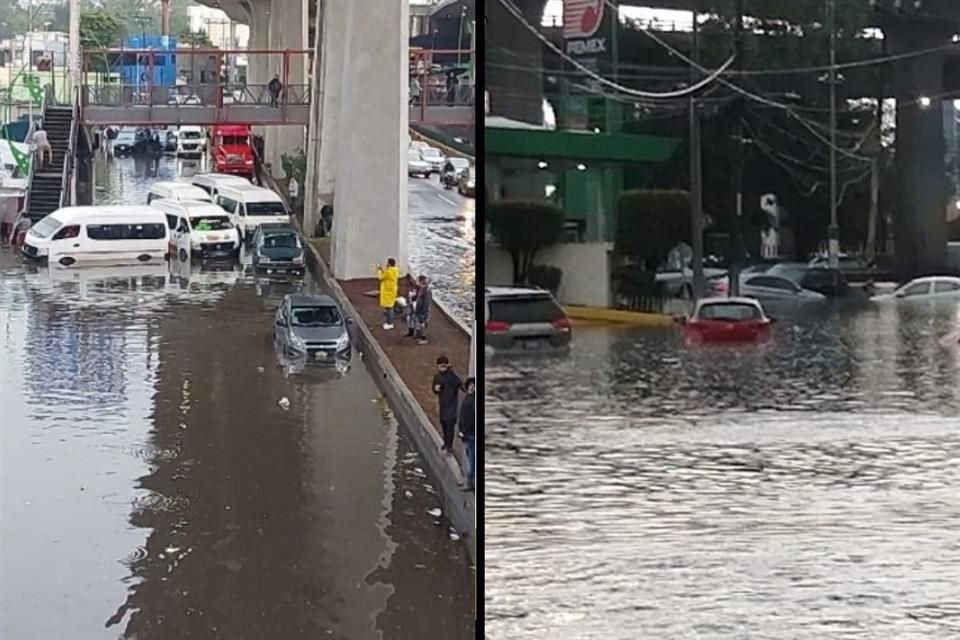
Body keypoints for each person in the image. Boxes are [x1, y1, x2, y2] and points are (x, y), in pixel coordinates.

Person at [433, 356, 463, 454]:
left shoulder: (452, 376)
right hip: (443, 405)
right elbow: (434, 389)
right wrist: (435, 389)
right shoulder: (437, 377)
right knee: (444, 424)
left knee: (450, 425)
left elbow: (461, 385)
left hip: (451, 405)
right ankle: (446, 442)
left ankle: (449, 445)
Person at [458, 377, 476, 491]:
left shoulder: (472, 400)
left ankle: (470, 482)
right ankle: (469, 481)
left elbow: (470, 418)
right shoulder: (468, 398)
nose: (472, 387)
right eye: (471, 385)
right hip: (466, 432)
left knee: (472, 459)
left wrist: (464, 430)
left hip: (470, 433)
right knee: (470, 456)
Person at [377, 258, 399, 330]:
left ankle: (390, 323)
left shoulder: (389, 271)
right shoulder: (395, 270)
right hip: (392, 290)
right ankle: (389, 321)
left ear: (389, 264)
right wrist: (383, 269)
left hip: (388, 291)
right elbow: (387, 274)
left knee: (389, 307)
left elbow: (381, 277)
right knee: (390, 306)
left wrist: (379, 270)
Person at [413, 274, 432, 345]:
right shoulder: (422, 289)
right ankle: (419, 335)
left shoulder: (426, 291)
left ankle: (424, 338)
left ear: (421, 282)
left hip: (423, 312)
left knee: (423, 324)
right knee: (419, 323)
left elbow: (426, 303)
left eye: (417, 281)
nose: (416, 282)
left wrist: (423, 313)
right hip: (420, 310)